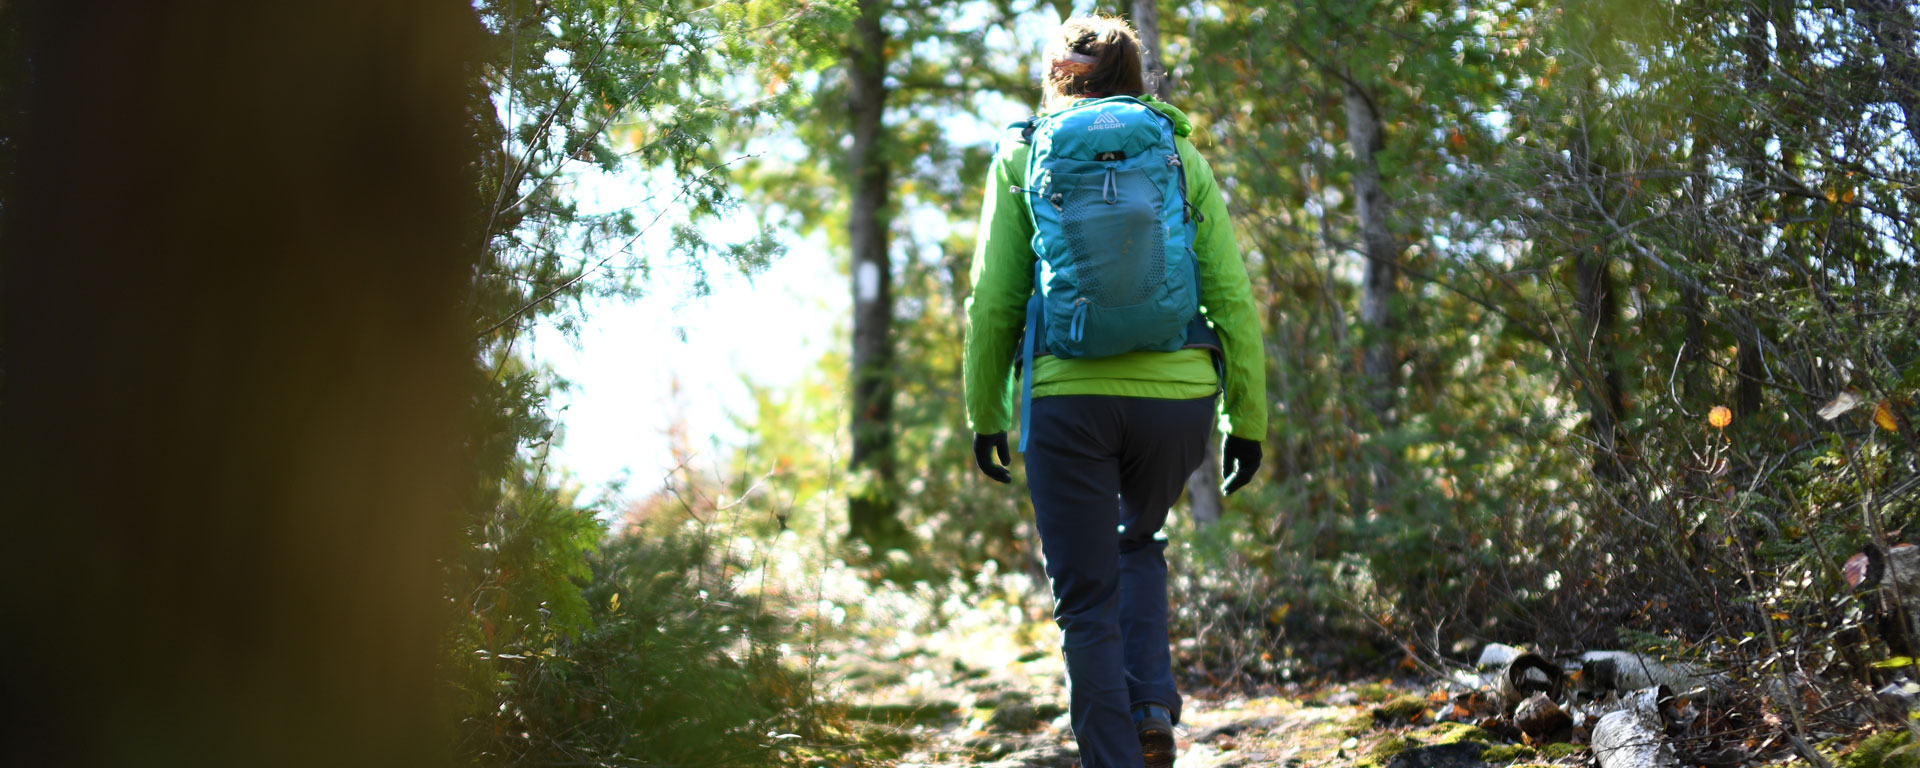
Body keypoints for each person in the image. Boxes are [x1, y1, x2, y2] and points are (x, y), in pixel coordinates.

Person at [962, 14, 1267, 768]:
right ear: (1136, 78)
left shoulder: (1024, 152)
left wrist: (986, 411)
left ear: (1055, 77)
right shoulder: (1175, 150)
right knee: (1139, 541)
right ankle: (1151, 709)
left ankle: (1116, 755)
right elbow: (1230, 292)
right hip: (1178, 399)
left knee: (1086, 603)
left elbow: (994, 300)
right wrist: (1247, 419)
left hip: (1068, 400)